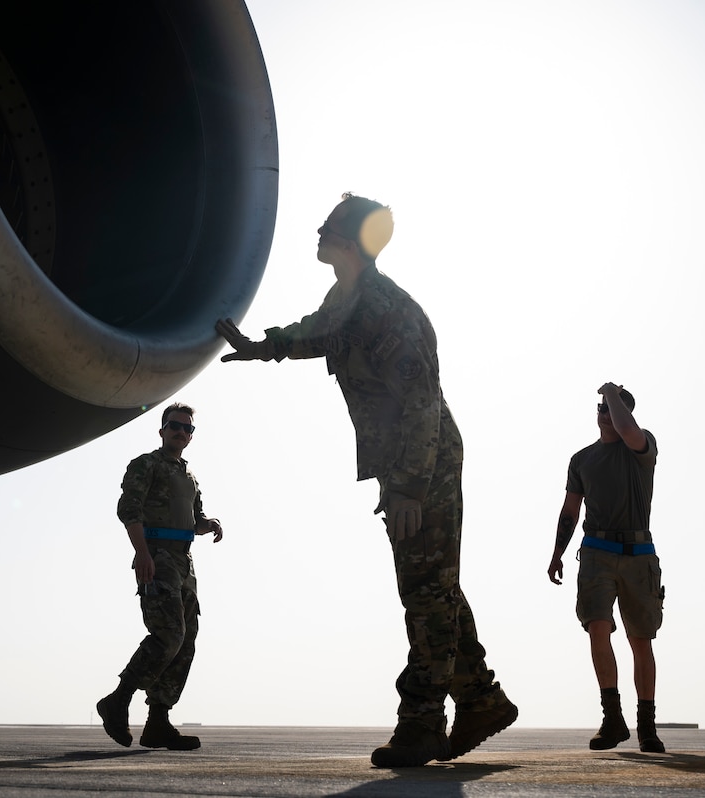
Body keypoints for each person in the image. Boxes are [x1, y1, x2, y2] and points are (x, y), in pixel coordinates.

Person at [215, 193, 517, 768]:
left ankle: (423, 724)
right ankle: (481, 700)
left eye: (327, 226)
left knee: (425, 593)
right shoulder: (348, 300)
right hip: (405, 464)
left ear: (349, 242)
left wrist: (407, 487)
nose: (318, 232)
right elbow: (317, 333)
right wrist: (263, 347)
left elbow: (422, 402)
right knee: (435, 587)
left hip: (424, 464)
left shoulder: (386, 309)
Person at [96, 402, 223, 751]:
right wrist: (142, 553)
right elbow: (129, 509)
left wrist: (207, 524)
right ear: (162, 430)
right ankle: (118, 700)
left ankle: (158, 722)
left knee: (185, 640)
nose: (181, 432)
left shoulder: (189, 476)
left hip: (184, 563)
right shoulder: (145, 465)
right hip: (157, 556)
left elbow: (193, 520)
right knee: (169, 635)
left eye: (188, 429)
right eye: (175, 426)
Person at [548, 383, 666, 753]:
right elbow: (570, 511)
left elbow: (627, 430)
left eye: (613, 409)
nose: (606, 413)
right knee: (597, 628)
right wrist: (556, 554)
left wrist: (613, 392)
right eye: (601, 407)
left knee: (640, 639)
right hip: (596, 552)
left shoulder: (641, 447)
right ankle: (612, 718)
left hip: (638, 552)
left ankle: (646, 725)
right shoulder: (581, 459)